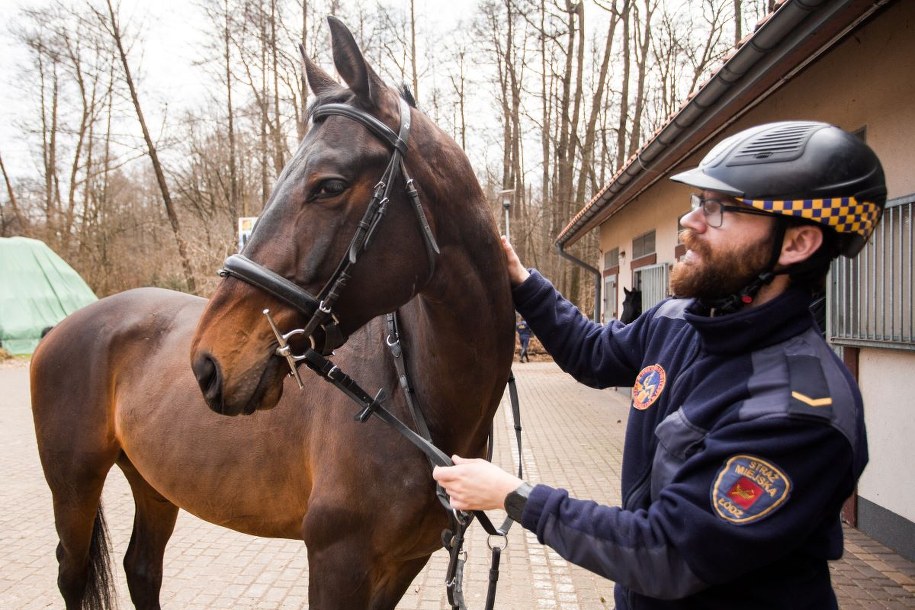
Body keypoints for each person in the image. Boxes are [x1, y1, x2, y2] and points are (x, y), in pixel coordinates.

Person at [433, 121, 885, 609]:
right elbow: (592, 353)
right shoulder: (679, 322)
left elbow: (666, 553)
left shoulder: (797, 412)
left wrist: (513, 495)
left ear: (796, 244)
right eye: (697, 202)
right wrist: (522, 281)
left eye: (717, 210)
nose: (689, 223)